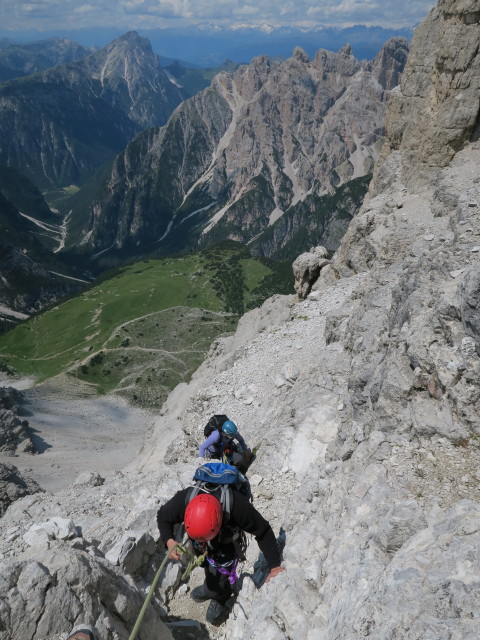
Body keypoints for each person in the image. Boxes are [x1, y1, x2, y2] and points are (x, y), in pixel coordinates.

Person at [157, 485, 284, 625]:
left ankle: (220, 597)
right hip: (199, 540)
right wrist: (168, 540)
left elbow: (263, 531)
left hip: (226, 542)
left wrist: (274, 566)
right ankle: (210, 587)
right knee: (204, 561)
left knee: (221, 571)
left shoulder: (237, 507)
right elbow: (163, 516)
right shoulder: (185, 499)